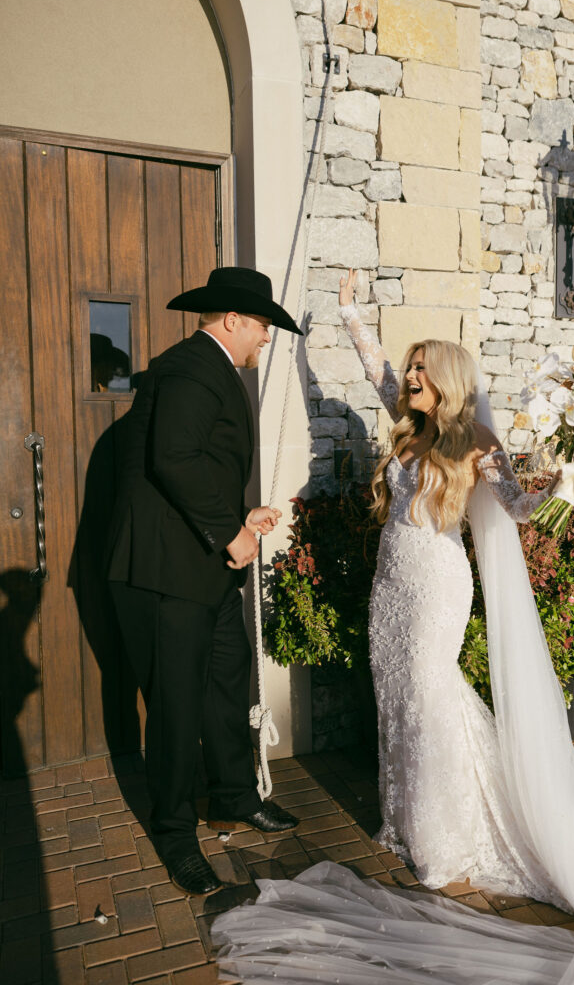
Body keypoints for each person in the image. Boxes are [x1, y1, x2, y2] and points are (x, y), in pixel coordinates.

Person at [210, 269, 574, 983]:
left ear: (449, 381)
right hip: (389, 588)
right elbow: (370, 368)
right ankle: (405, 820)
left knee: (432, 698)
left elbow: (515, 510)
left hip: (436, 587)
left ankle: (448, 838)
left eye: (421, 372)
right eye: (408, 370)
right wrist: (348, 315)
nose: (407, 378)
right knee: (397, 697)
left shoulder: (474, 441)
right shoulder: (407, 432)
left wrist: (561, 485)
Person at [107, 266, 302, 897]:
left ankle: (232, 797)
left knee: (226, 682)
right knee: (176, 705)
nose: (267, 339)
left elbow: (194, 469)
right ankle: (173, 833)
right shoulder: (193, 366)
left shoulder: (211, 367)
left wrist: (238, 520)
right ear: (234, 319)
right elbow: (174, 458)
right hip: (169, 573)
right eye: (264, 326)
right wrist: (232, 533)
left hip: (206, 565)